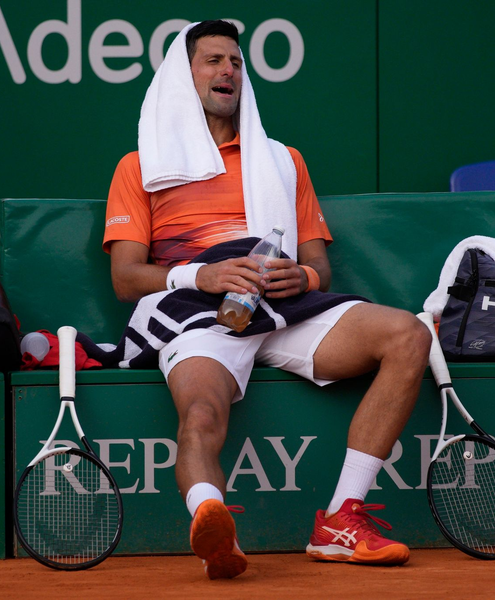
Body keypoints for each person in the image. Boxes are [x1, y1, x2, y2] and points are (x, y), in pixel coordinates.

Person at [103, 20, 431, 579]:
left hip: (281, 309)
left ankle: (340, 522)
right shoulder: (139, 166)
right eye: (212, 60)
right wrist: (199, 276)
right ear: (183, 77)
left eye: (235, 61)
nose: (228, 69)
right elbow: (127, 278)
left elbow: (320, 268)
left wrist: (300, 278)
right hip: (198, 312)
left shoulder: (283, 160)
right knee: (201, 413)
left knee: (409, 334)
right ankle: (210, 516)